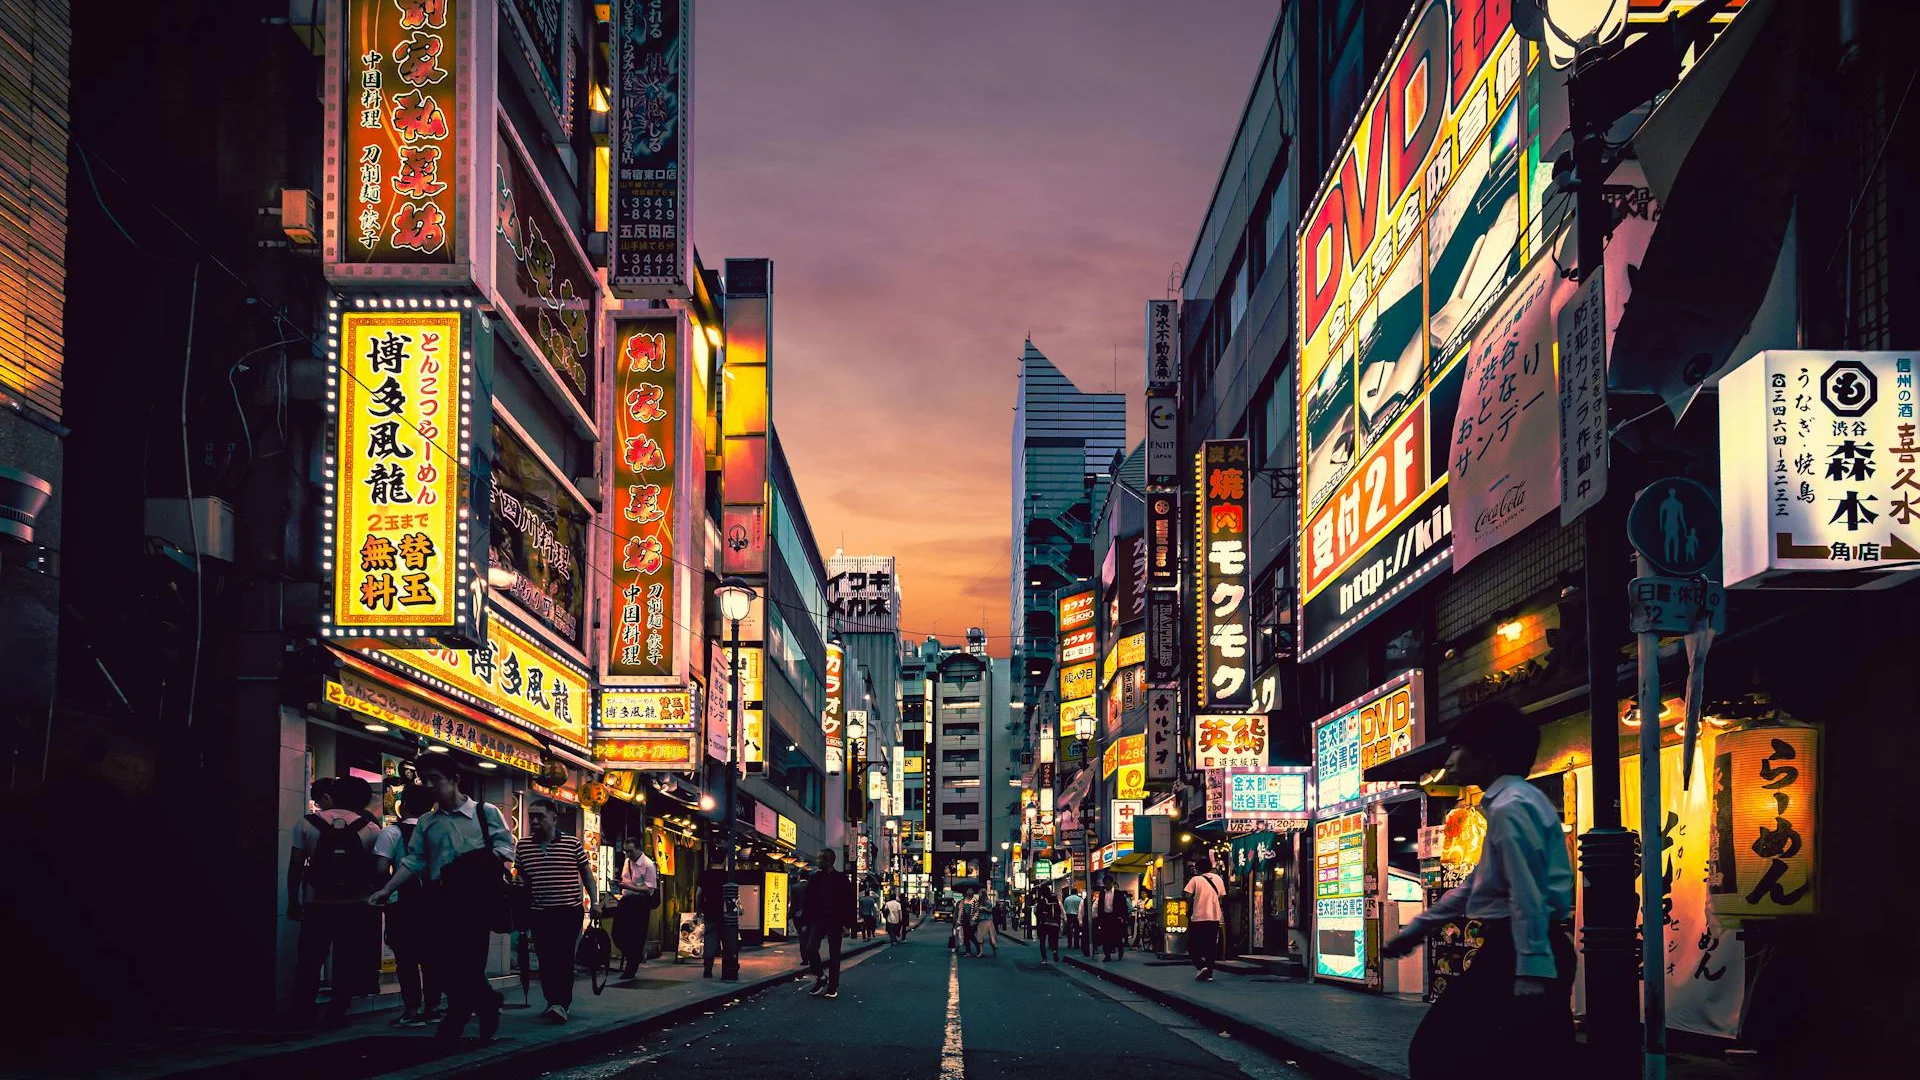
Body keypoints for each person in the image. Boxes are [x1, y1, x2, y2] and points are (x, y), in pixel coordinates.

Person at [1383, 702, 1576, 1079]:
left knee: (1438, 1050)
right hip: (1523, 949)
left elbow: (1527, 893)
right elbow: (1478, 885)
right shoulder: (1516, 802)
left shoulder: (1510, 807)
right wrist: (1419, 928)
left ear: (1488, 754)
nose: (1451, 759)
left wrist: (1530, 971)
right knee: (1519, 1060)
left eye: (1459, 748)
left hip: (1516, 952)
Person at [369, 761, 514, 1041]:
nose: (431, 785)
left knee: (469, 964)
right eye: (426, 780)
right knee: (442, 963)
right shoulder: (427, 822)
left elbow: (506, 848)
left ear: (455, 778)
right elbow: (414, 860)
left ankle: (457, 1018)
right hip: (439, 900)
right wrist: (387, 889)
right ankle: (485, 1002)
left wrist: (473, 865)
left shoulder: (485, 813)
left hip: (476, 900)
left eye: (435, 778)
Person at [289, 775, 382, 1027]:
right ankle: (337, 1013)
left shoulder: (307, 823)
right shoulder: (371, 828)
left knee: (309, 958)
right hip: (354, 905)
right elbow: (377, 870)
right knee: (346, 959)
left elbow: (295, 867)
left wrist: (293, 901)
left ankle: (302, 1012)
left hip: (316, 903)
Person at [513, 798, 595, 1022]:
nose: (535, 821)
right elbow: (520, 873)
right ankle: (552, 1001)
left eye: (540, 816)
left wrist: (595, 902)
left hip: (568, 911)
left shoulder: (572, 844)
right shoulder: (523, 845)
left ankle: (561, 1004)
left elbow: (587, 874)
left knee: (564, 957)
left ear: (554, 818)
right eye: (532, 817)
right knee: (545, 958)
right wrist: (518, 882)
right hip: (539, 911)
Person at [373, 783, 440, 1027]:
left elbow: (380, 869)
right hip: (434, 904)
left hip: (401, 904)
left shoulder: (391, 833)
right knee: (432, 958)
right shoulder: (437, 833)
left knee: (406, 959)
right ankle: (432, 1007)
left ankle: (412, 1009)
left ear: (403, 806)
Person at [801, 849, 856, 998]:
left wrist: (847, 924)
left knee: (834, 954)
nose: (817, 861)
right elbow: (808, 900)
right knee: (810, 948)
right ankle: (820, 976)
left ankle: (832, 986)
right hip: (818, 918)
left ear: (828, 861)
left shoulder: (841, 879)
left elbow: (849, 902)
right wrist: (806, 921)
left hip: (835, 920)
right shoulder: (815, 878)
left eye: (820, 859)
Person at [614, 836, 658, 976]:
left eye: (631, 851)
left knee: (636, 936)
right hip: (626, 899)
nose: (628, 855)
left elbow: (650, 889)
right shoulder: (627, 861)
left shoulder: (648, 864)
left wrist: (629, 886)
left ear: (639, 849)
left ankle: (631, 967)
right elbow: (625, 880)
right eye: (626, 851)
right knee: (617, 933)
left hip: (640, 902)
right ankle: (633, 957)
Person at [696, 846, 739, 979]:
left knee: (710, 940)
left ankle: (707, 969)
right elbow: (734, 896)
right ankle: (728, 967)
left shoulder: (704, 874)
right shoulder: (728, 876)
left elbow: (698, 894)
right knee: (727, 941)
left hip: (709, 911)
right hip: (726, 913)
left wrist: (699, 909)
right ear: (724, 860)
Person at [1184, 857, 1227, 981]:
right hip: (1214, 917)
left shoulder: (1195, 879)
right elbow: (1221, 897)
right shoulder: (1218, 879)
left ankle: (1201, 965)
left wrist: (1194, 900)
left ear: (1197, 869)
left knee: (1192, 945)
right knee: (1211, 945)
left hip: (1198, 917)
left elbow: (1187, 895)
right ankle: (1209, 973)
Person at [1092, 879, 1130, 962]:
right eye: (1105, 884)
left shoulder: (1118, 893)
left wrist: (1123, 918)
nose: (1106, 886)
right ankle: (1107, 955)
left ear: (1112, 883)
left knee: (1117, 936)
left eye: (1108, 884)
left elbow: (1124, 906)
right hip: (1105, 917)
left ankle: (1120, 949)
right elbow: (1100, 906)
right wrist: (1100, 917)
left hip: (1115, 917)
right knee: (1105, 937)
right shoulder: (1102, 893)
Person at [1033, 884, 1063, 964]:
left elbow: (1038, 912)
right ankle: (1054, 951)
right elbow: (1059, 911)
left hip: (1044, 923)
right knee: (1054, 939)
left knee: (1042, 941)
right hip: (1055, 923)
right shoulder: (1055, 900)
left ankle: (1044, 958)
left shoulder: (1042, 901)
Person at [1060, 886, 1085, 953]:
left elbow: (1064, 908)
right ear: (1076, 892)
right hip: (1076, 915)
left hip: (1069, 915)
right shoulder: (1079, 899)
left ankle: (1069, 943)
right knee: (1077, 930)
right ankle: (1076, 944)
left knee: (1069, 930)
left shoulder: (1067, 899)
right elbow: (1082, 908)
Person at [956, 890, 981, 956]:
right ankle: (970, 951)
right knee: (968, 937)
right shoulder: (965, 901)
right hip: (968, 921)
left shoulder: (971, 901)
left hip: (969, 922)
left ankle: (972, 951)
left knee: (970, 936)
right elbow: (961, 912)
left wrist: (972, 919)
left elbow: (976, 912)